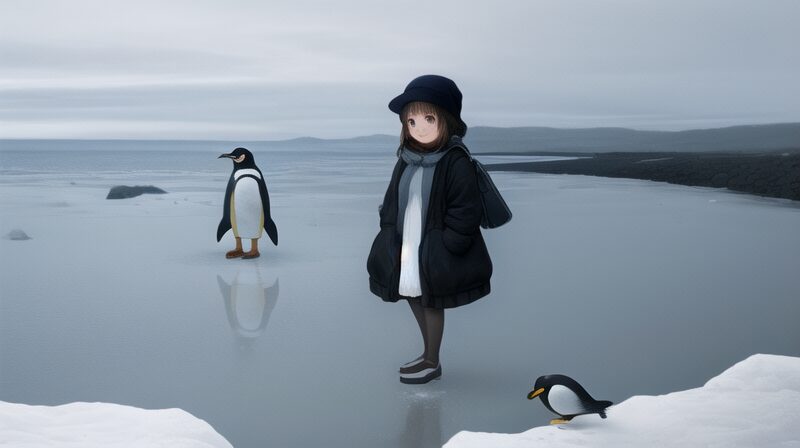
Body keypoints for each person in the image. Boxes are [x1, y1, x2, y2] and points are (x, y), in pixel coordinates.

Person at [367, 75, 493, 384]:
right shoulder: (407, 159)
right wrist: (388, 227)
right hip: (407, 241)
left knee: (430, 298)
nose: (419, 127)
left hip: (435, 246)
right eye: (411, 120)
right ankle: (426, 354)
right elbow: (391, 197)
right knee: (411, 292)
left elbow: (466, 208)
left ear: (446, 120)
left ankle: (433, 360)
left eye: (428, 118)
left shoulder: (455, 161)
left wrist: (450, 242)